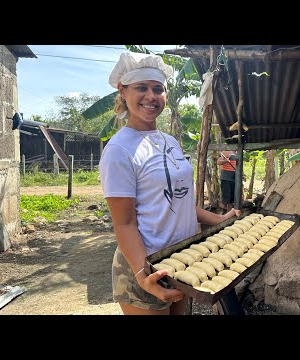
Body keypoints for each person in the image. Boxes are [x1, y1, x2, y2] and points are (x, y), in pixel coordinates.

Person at [99, 52, 241, 315]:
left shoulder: (170, 142)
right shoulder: (120, 150)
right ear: (123, 90)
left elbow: (180, 202)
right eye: (141, 88)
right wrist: (143, 275)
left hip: (182, 262)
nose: (151, 96)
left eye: (158, 89)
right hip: (146, 265)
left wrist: (219, 220)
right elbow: (124, 223)